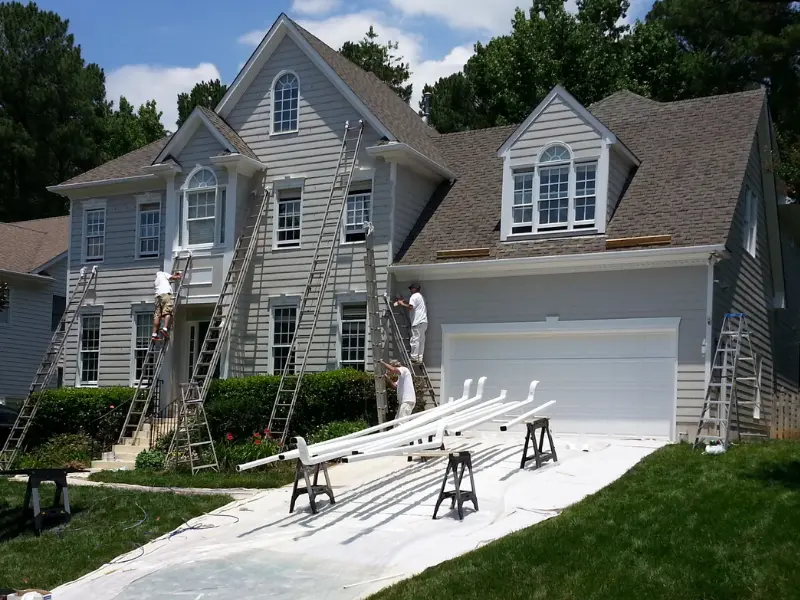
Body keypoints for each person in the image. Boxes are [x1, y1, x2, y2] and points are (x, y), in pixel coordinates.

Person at [395, 283, 427, 363]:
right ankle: (420, 357)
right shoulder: (421, 297)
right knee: (421, 340)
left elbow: (410, 307)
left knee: (415, 339)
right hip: (424, 322)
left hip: (417, 321)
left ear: (414, 289)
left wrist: (401, 304)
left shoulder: (414, 296)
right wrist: (404, 301)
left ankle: (414, 357)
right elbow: (413, 305)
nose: (410, 290)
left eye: (411, 289)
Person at [152, 269, 182, 341]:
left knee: (157, 315)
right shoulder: (163, 274)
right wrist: (179, 276)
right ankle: (165, 329)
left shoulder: (156, 281)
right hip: (165, 294)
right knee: (168, 312)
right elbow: (173, 278)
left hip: (157, 296)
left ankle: (154, 334)